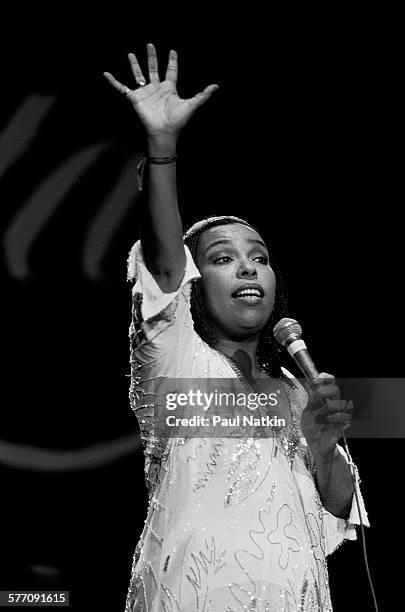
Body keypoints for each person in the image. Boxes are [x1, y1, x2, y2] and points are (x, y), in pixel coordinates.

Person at [104, 44, 369, 612]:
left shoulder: (300, 388)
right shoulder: (174, 355)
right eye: (223, 257)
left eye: (260, 257)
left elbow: (341, 514)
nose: (249, 267)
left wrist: (324, 448)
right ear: (196, 284)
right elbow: (165, 264)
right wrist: (163, 147)